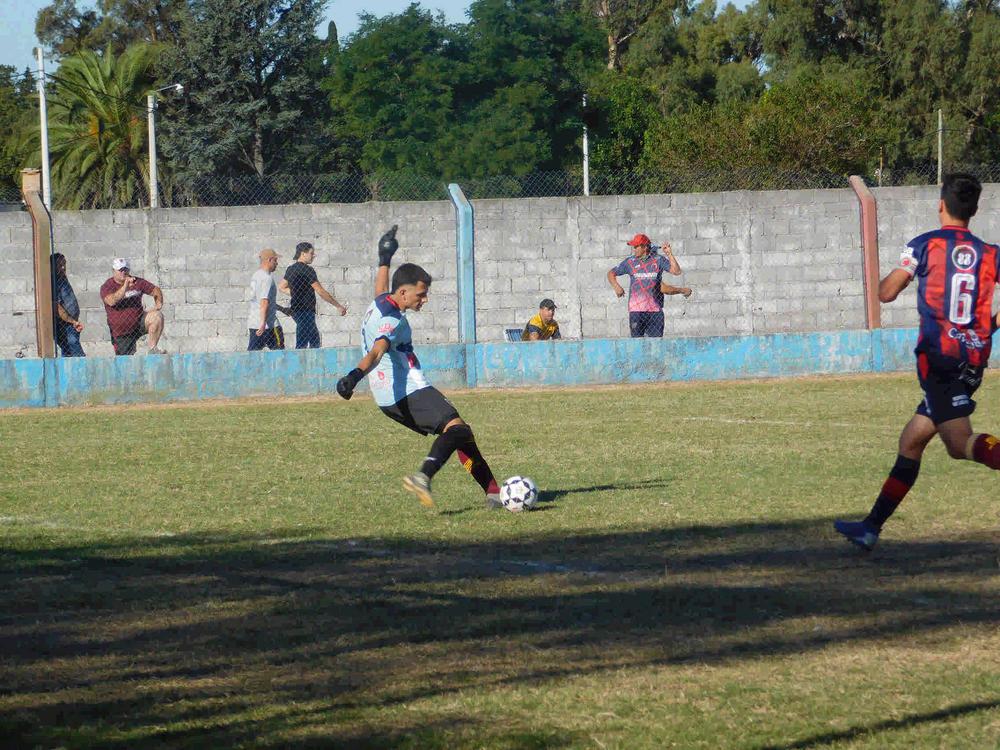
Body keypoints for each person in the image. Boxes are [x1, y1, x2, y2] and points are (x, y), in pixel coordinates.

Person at [835, 173, 1000, 552]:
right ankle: (870, 528)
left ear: (940, 205)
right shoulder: (991, 253)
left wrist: (895, 278)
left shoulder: (925, 245)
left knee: (959, 445)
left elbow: (887, 293)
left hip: (941, 359)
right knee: (912, 441)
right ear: (973, 211)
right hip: (972, 358)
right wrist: (988, 326)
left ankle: (870, 528)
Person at [335, 225, 502, 510]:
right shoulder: (393, 321)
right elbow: (378, 351)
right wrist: (354, 375)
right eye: (421, 294)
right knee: (458, 430)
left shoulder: (381, 303)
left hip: (389, 399)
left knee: (460, 433)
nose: (424, 299)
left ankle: (494, 492)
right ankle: (423, 476)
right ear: (403, 292)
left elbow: (380, 288)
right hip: (409, 390)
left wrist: (384, 257)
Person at [607, 233, 689, 337]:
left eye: (637, 246)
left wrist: (669, 254)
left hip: (655, 312)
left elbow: (676, 272)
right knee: (637, 345)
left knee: (656, 345)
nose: (634, 249)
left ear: (645, 247)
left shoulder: (658, 260)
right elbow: (611, 273)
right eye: (634, 246)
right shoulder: (630, 262)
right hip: (636, 312)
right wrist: (616, 287)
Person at [278, 241, 347, 349]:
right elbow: (320, 291)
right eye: (311, 253)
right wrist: (338, 306)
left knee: (311, 340)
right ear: (303, 253)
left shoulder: (291, 269)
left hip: (296, 310)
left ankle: (308, 364)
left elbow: (282, 287)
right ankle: (301, 364)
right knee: (306, 342)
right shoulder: (307, 270)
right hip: (306, 310)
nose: (313, 255)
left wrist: (296, 293)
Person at [100, 257, 166, 355]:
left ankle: (153, 349)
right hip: (122, 332)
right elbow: (112, 301)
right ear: (113, 271)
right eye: (120, 270)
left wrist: (158, 303)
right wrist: (125, 286)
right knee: (124, 362)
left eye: (125, 269)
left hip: (139, 322)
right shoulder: (107, 286)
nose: (123, 272)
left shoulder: (137, 282)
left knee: (157, 316)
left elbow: (155, 290)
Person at [247, 248, 287, 351]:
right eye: (275, 260)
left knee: (252, 356)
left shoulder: (256, 275)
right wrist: (263, 323)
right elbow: (264, 301)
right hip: (269, 326)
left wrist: (282, 309)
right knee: (280, 355)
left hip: (254, 324)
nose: (277, 263)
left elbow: (260, 300)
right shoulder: (267, 278)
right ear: (269, 260)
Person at [51, 252, 85, 357]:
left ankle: (69, 370)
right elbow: (57, 307)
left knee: (68, 350)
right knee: (72, 344)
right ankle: (82, 366)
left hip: (71, 322)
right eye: (59, 265)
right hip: (64, 323)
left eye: (64, 264)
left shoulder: (62, 278)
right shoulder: (54, 282)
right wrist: (73, 321)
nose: (63, 267)